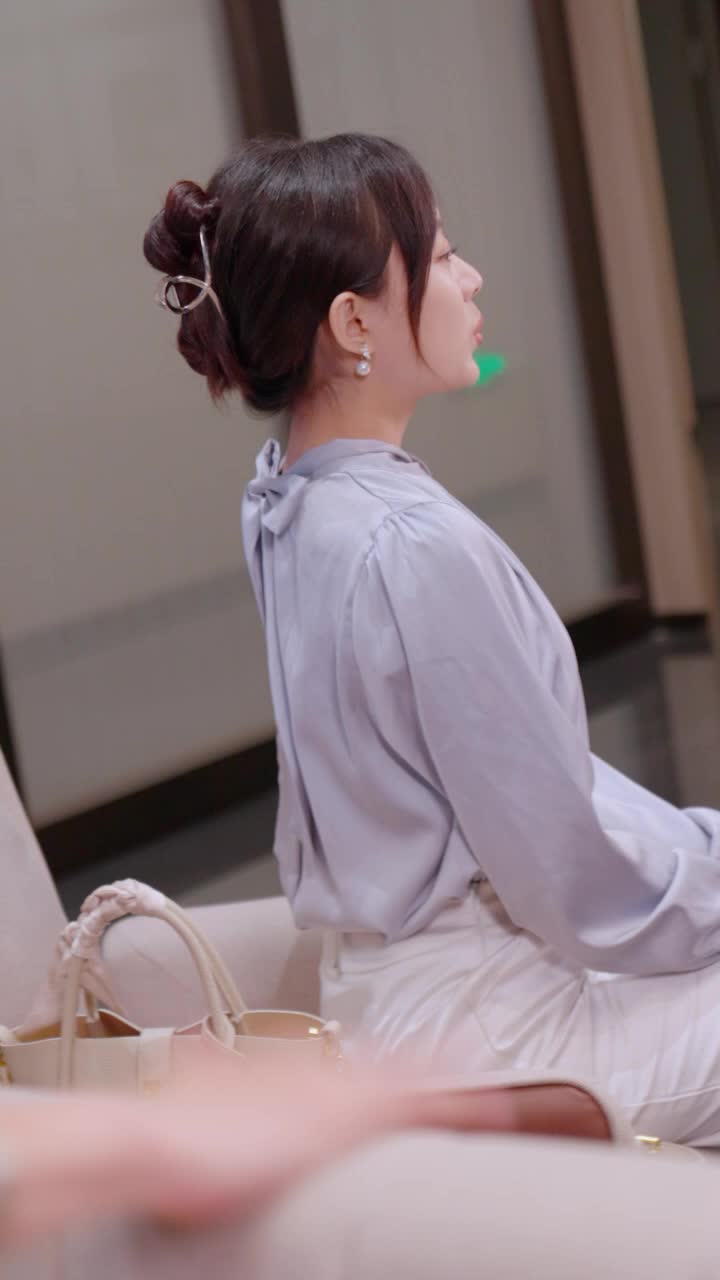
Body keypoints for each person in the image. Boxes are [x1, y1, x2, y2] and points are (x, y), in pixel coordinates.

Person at [144, 133, 720, 1146]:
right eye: (444, 254)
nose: (471, 276)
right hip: (501, 1030)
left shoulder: (289, 505)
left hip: (399, 1004)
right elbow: (568, 878)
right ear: (354, 321)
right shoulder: (411, 543)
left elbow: (530, 792)